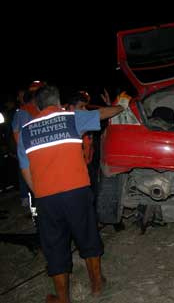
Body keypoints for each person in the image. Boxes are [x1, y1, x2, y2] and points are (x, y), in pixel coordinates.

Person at [17, 85, 124, 302]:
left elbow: (25, 168)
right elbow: (106, 113)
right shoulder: (71, 118)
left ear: (37, 106)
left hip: (46, 198)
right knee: (87, 236)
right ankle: (96, 286)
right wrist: (119, 105)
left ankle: (62, 298)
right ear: (58, 103)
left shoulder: (25, 131)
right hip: (77, 192)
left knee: (55, 246)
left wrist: (39, 193)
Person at [11, 82, 42, 211]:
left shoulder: (37, 111)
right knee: (28, 177)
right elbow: (17, 133)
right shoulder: (22, 113)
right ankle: (31, 205)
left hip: (37, 153)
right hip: (30, 153)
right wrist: (22, 151)